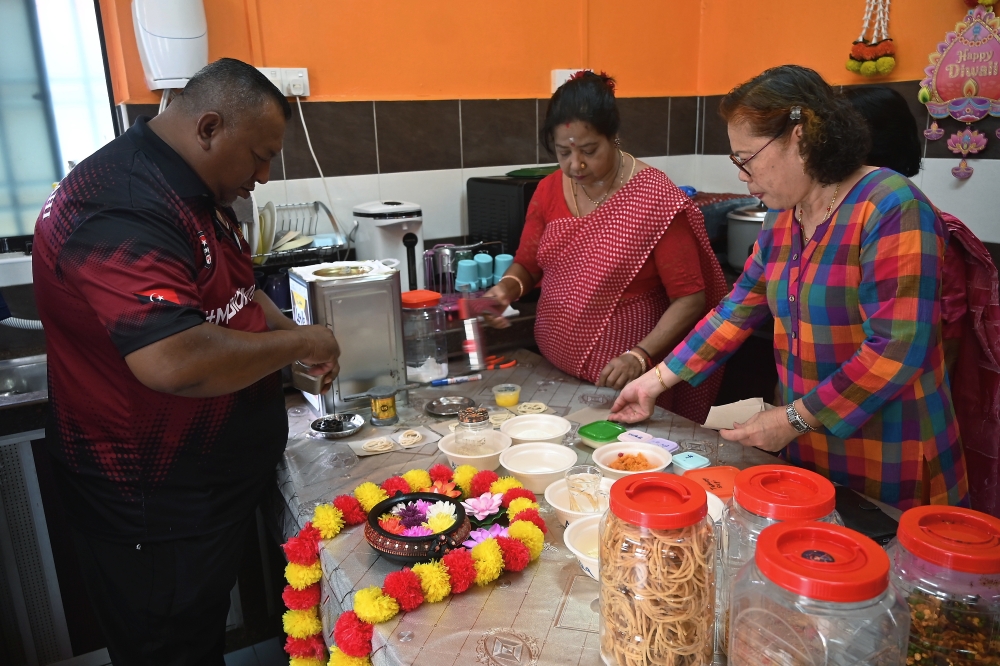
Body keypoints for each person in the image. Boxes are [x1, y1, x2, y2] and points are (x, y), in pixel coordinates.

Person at [32, 58, 340, 664]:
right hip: (150, 502)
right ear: (208, 128)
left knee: (197, 634)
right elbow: (176, 360)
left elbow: (236, 294)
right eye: (258, 155)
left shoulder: (195, 189)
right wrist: (304, 346)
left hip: (207, 486)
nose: (265, 175)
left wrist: (298, 332)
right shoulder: (120, 204)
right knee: (170, 649)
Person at [610, 65, 969, 509]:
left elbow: (895, 349)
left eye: (746, 158)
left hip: (889, 453)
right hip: (810, 446)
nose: (742, 175)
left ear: (800, 138)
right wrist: (654, 381)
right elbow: (736, 308)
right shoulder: (784, 215)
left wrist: (794, 418)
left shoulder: (891, 206)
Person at [485, 71, 728, 422]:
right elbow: (528, 263)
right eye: (563, 152)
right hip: (553, 374)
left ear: (613, 138)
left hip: (626, 385)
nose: (576, 164)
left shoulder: (654, 197)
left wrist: (640, 355)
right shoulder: (549, 189)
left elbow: (690, 297)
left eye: (589, 150)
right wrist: (505, 290)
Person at [845, 85, 1000, 517]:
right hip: (854, 401)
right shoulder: (850, 209)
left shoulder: (905, 214)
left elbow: (942, 341)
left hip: (900, 414)